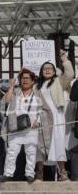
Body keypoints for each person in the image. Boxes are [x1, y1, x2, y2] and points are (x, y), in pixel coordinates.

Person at [34, 49, 74, 181]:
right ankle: (39, 173)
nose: (47, 70)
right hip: (43, 117)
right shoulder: (36, 86)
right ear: (41, 71)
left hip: (57, 116)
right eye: (44, 68)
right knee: (41, 144)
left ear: (54, 70)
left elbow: (70, 74)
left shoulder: (59, 81)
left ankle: (63, 172)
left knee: (58, 143)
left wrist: (64, 60)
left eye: (50, 68)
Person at [1, 69, 41, 183]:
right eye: (23, 78)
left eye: (27, 78)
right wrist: (12, 86)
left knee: (31, 151)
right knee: (12, 151)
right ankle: (7, 174)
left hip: (32, 128)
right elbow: (6, 101)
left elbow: (41, 110)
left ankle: (30, 174)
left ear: (33, 81)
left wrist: (38, 120)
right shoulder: (16, 92)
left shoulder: (37, 93)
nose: (25, 80)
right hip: (16, 127)